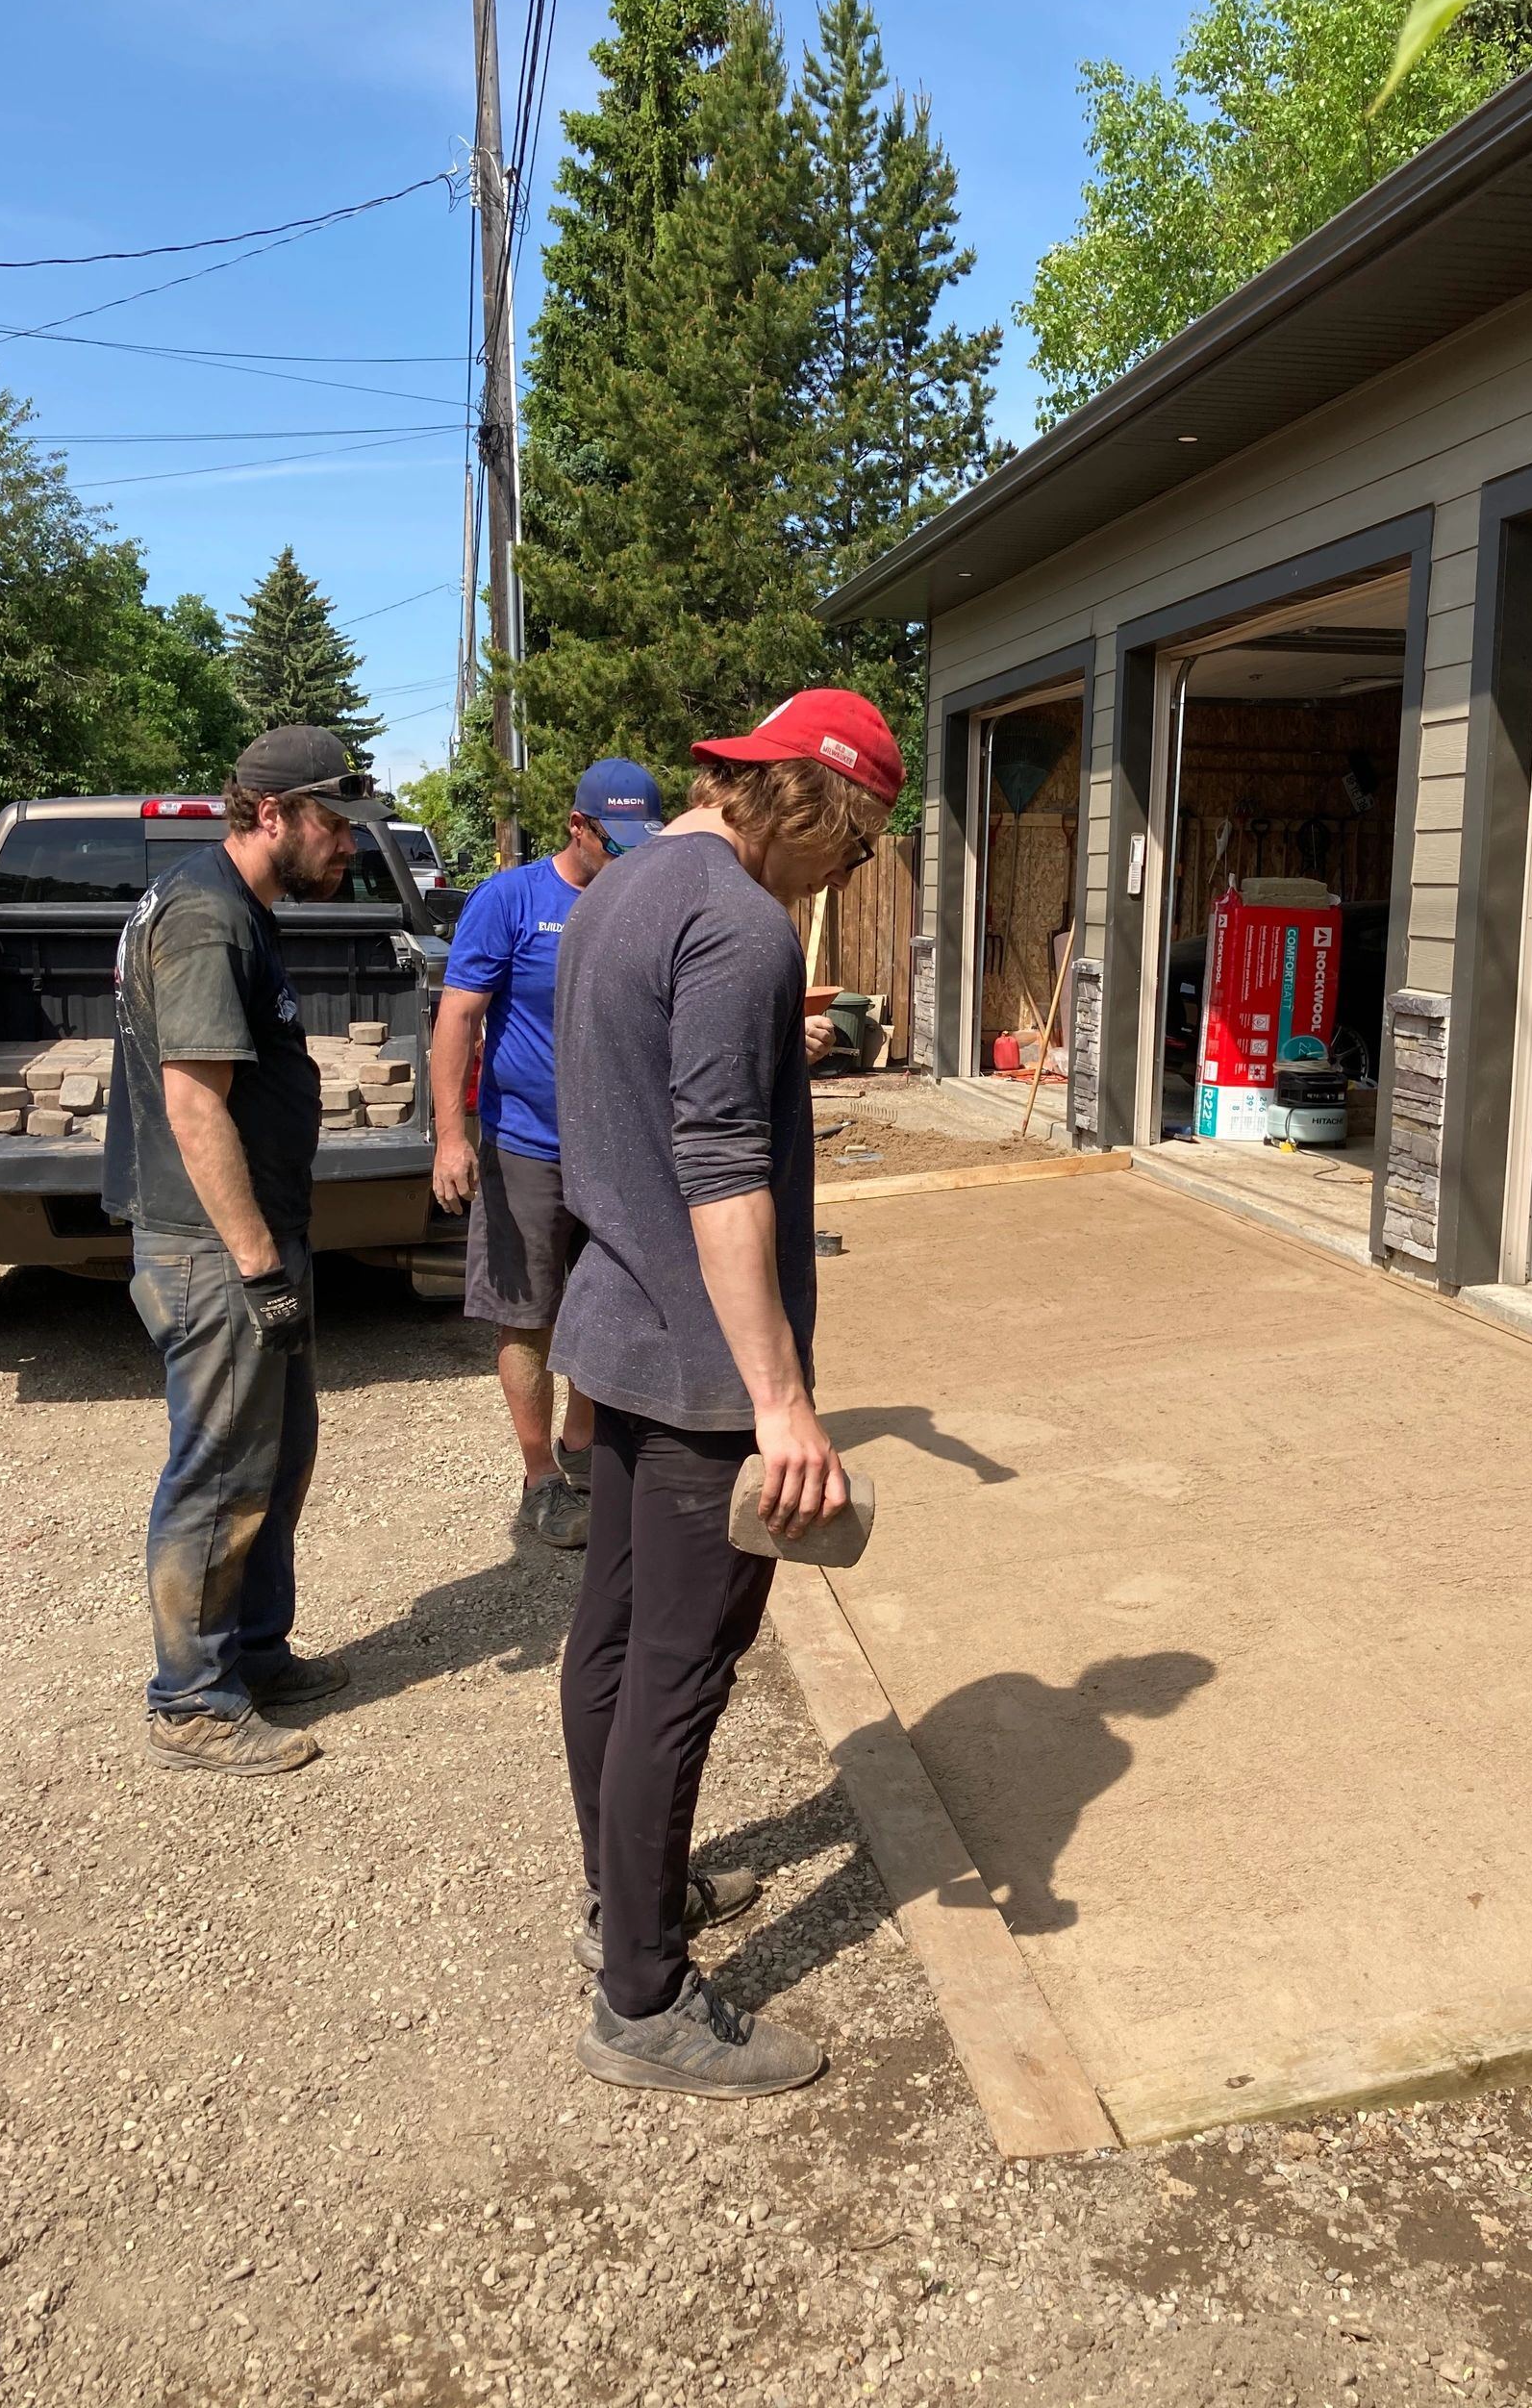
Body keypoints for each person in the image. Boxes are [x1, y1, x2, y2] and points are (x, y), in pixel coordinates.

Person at [551, 686, 902, 2098]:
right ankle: (641, 1997)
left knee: (616, 1639)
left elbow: (631, 1102)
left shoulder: (618, 892)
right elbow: (717, 1167)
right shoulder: (743, 926)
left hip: (618, 1330)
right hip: (702, 1368)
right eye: (861, 843)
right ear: (816, 802)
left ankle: (623, 1901)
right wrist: (783, 1402)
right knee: (681, 1675)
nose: (850, 873)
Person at [104, 726, 393, 1776]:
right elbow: (192, 1102)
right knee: (223, 1467)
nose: (348, 848)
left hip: (249, 1240)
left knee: (277, 1454)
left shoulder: (231, 908)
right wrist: (259, 1263)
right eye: (332, 825)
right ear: (270, 814)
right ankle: (190, 1699)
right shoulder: (206, 918)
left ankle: (253, 1652)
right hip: (215, 1249)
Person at [429, 760, 666, 1548]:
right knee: (527, 1315)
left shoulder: (645, 899)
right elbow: (459, 1018)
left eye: (643, 841)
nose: (631, 856)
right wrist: (452, 1137)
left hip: (619, 1145)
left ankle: (582, 1443)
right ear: (577, 826)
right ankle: (539, 1478)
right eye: (616, 841)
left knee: (608, 1304)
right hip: (527, 1145)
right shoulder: (512, 900)